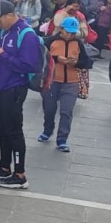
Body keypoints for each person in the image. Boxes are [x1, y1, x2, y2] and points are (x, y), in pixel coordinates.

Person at [0, 0, 43, 189]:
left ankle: (20, 174)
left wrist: (2, 55)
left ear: (9, 15)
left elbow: (29, 65)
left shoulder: (27, 34)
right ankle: (4, 167)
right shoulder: (6, 31)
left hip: (14, 88)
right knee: (1, 128)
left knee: (13, 130)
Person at [39, 17, 87, 153]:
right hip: (52, 81)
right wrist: (56, 59)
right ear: (61, 29)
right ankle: (47, 130)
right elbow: (41, 58)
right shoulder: (51, 41)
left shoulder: (78, 43)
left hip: (71, 82)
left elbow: (86, 62)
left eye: (73, 32)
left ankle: (62, 139)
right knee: (49, 109)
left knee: (66, 112)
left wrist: (75, 63)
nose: (71, 35)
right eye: (68, 31)